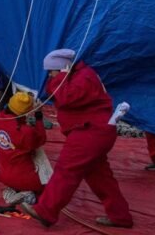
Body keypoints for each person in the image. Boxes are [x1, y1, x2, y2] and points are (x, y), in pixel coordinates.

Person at [20, 49, 133, 229]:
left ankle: (46, 211)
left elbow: (65, 98)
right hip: (94, 131)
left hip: (89, 131)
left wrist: (59, 78)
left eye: (52, 71)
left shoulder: (83, 77)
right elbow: (55, 92)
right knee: (100, 177)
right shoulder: (76, 76)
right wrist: (59, 78)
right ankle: (120, 216)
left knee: (67, 170)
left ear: (63, 68)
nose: (50, 75)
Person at [0, 91, 49, 205]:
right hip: (25, 178)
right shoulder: (26, 132)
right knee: (50, 184)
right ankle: (27, 193)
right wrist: (38, 116)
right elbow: (41, 139)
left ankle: (14, 190)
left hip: (3, 174)